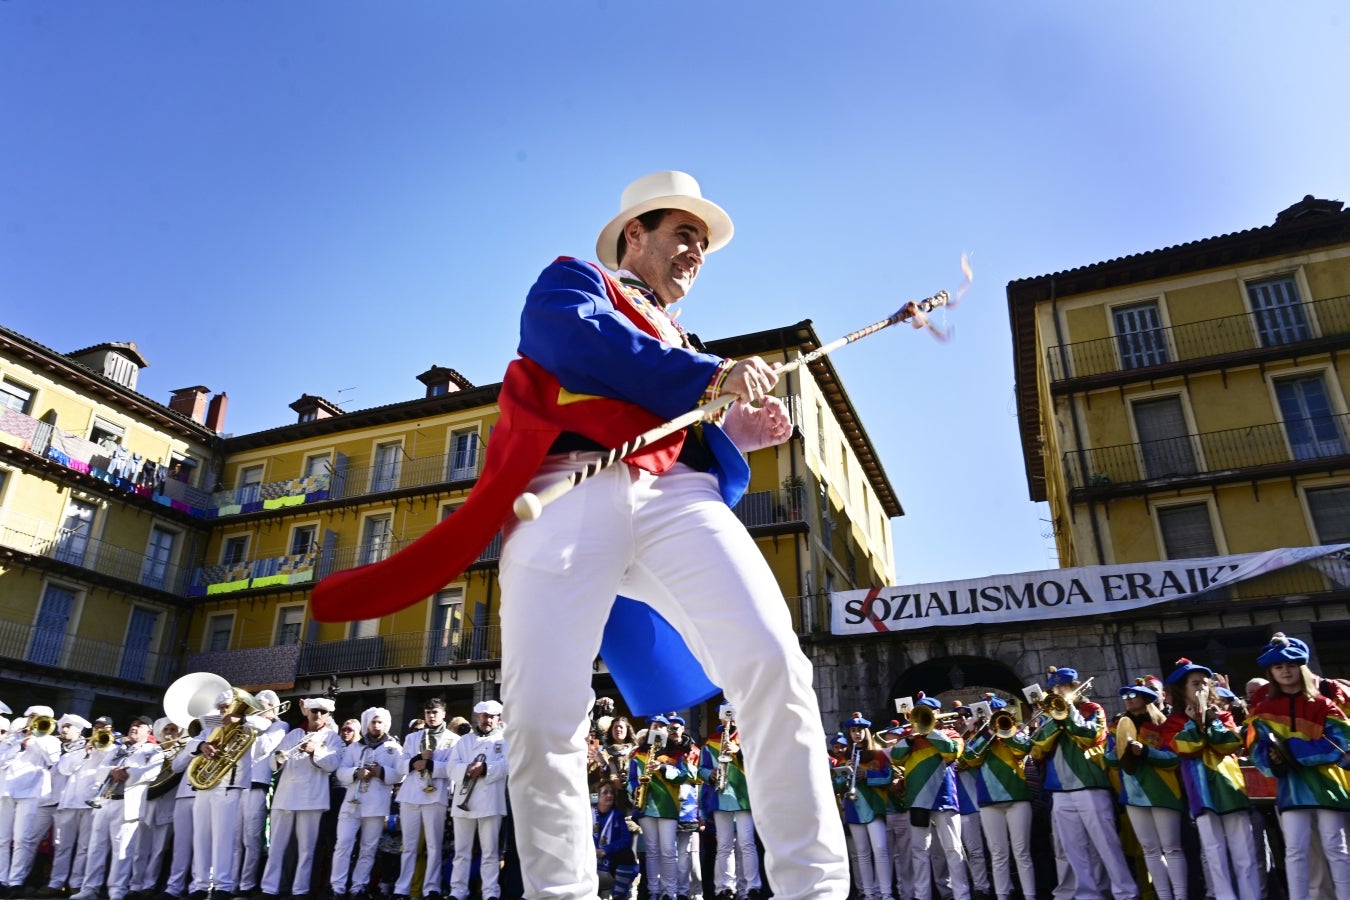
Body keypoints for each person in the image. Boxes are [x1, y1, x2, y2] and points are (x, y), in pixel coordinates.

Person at [501, 170, 852, 900]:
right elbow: (571, 343)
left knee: (775, 665)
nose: (696, 250)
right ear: (636, 234)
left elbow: (672, 405)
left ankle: (814, 892)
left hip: (678, 495)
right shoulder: (578, 280)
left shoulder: (683, 339)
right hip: (571, 487)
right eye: (682, 233)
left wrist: (732, 426)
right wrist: (711, 376)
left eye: (703, 242)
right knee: (541, 714)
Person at [1248, 633, 1350, 897]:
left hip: (1328, 787)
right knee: (1294, 851)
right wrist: (1273, 760)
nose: (1285, 671)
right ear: (1271, 672)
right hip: (1290, 790)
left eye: (1291, 665)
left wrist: (1291, 751)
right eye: (1279, 667)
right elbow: (1257, 751)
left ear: (1301, 668)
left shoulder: (1325, 704)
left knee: (1336, 848)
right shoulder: (1263, 710)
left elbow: (1340, 742)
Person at [1030, 666, 1138, 900]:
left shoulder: (1092, 708)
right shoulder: (1049, 716)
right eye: (1054, 688)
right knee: (1074, 849)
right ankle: (1088, 894)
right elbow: (1037, 748)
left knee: (1106, 844)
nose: (1057, 691)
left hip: (1090, 784)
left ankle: (1125, 892)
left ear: (1075, 687)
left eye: (1062, 687)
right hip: (1059, 788)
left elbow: (1091, 736)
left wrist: (1068, 712)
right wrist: (1055, 719)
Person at [1162, 659, 1257, 900]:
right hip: (1200, 790)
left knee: (1244, 851)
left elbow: (1230, 743)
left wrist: (1211, 722)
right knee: (1214, 852)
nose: (1202, 688)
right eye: (1195, 684)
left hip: (1230, 787)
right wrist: (1195, 724)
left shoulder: (1223, 715)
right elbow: (1184, 748)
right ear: (1182, 690)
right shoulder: (1173, 722)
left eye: (1204, 683)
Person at [1108, 678, 1187, 900]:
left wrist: (1146, 752)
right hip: (1133, 794)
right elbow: (1109, 759)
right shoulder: (1118, 727)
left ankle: (1181, 896)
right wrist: (1120, 753)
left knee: (1172, 848)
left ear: (1146, 699)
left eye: (1133, 696)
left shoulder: (1163, 726)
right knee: (1149, 850)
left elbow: (1173, 759)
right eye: (1125, 697)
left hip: (1163, 792)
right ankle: (1163, 896)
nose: (1128, 700)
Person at [261, 697, 343, 900]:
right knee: (277, 846)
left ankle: (300, 890)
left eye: (322, 712)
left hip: (312, 798)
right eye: (314, 710)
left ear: (328, 715)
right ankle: (269, 889)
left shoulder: (333, 738)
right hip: (286, 796)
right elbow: (273, 764)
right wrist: (278, 758)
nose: (317, 715)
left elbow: (332, 765)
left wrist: (315, 751)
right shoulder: (293, 734)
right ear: (307, 712)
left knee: (306, 849)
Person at [959, 694, 1035, 900]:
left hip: (1017, 796)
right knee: (998, 853)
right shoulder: (980, 737)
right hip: (989, 800)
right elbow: (969, 758)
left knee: (1022, 852)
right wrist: (985, 733)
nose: (994, 721)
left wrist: (1005, 733)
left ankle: (1030, 895)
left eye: (997, 716)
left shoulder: (1014, 733)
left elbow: (1025, 748)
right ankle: (1002, 895)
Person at [332, 707, 402, 900]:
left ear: (386, 724)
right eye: (373, 722)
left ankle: (358, 887)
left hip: (376, 805)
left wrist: (382, 772)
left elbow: (400, 774)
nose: (376, 726)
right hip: (352, 803)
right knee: (343, 844)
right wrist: (356, 772)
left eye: (380, 722)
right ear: (367, 724)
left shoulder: (394, 748)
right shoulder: (355, 747)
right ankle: (337, 887)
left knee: (368, 848)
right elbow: (341, 771)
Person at [392, 699, 458, 900]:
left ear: (443, 714)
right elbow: (399, 765)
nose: (431, 716)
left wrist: (430, 766)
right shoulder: (413, 737)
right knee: (409, 846)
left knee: (433, 845)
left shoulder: (454, 740)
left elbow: (452, 769)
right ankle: (402, 889)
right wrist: (415, 761)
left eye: (435, 712)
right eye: (428, 712)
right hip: (411, 795)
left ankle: (431, 888)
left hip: (435, 795)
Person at [444, 700, 509, 900]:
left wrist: (485, 769)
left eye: (491, 716)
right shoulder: (464, 741)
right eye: (483, 716)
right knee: (461, 851)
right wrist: (467, 769)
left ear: (498, 719)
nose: (487, 720)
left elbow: (508, 765)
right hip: (464, 802)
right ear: (477, 717)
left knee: (490, 852)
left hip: (491, 802)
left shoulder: (505, 740)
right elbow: (451, 768)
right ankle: (458, 891)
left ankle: (490, 892)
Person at [699, 705, 761, 900]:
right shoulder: (710, 742)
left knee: (747, 843)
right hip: (721, 796)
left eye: (733, 716)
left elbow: (759, 763)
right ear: (720, 719)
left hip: (743, 797)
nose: (730, 720)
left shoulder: (749, 738)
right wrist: (711, 773)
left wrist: (739, 750)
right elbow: (701, 769)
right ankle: (725, 887)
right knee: (724, 845)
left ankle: (752, 887)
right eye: (727, 716)